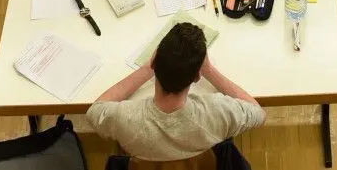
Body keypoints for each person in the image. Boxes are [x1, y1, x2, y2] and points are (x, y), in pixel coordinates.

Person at [86, 22, 264, 161]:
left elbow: (95, 111)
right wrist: (208, 69)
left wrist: (146, 69)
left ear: (156, 63)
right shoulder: (219, 112)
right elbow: (258, 113)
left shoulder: (126, 117)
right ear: (196, 77)